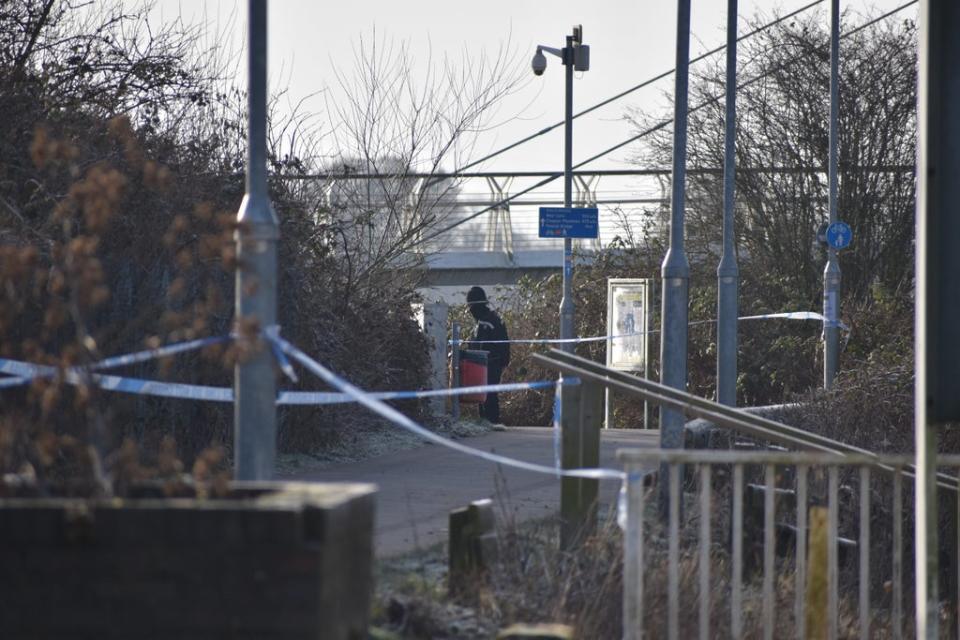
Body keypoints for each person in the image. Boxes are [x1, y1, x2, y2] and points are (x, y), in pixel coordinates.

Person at [466, 286, 510, 424]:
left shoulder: (487, 322)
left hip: (490, 363)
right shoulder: (491, 319)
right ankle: (487, 422)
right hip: (488, 363)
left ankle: (492, 422)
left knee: (489, 395)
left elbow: (481, 344)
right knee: (483, 395)